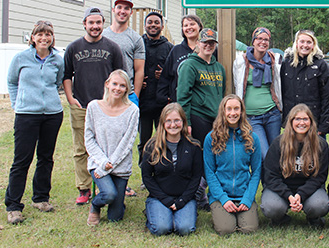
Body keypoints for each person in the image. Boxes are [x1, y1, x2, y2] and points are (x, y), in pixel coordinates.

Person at [5, 21, 64, 225]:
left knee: (46, 158)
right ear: (32, 37)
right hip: (26, 115)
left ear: (52, 38)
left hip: (52, 114)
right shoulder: (21, 58)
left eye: (48, 34)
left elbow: (58, 83)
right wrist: (17, 103)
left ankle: (40, 198)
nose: (44, 38)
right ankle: (13, 205)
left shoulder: (58, 59)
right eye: (40, 34)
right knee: (22, 160)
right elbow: (12, 82)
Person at [63, 7, 124, 205]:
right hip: (81, 105)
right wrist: (71, 99)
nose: (95, 26)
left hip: (107, 106)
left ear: (103, 23)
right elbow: (66, 76)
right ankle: (84, 188)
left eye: (98, 23)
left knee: (109, 146)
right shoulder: (73, 48)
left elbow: (120, 77)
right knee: (81, 148)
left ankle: (112, 182)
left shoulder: (112, 47)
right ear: (84, 24)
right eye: (91, 23)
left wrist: (115, 101)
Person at [85, 70, 139, 226]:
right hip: (99, 163)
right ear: (107, 84)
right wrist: (102, 163)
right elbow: (89, 139)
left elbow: (128, 142)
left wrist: (111, 163)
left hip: (120, 166)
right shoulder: (93, 107)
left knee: (115, 217)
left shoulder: (132, 111)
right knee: (109, 194)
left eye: (122, 86)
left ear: (127, 90)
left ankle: (118, 200)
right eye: (115, 84)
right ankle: (95, 205)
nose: (118, 88)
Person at [261, 104, 329, 227]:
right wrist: (288, 196)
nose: (301, 123)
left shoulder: (321, 145)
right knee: (271, 207)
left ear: (311, 122)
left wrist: (300, 195)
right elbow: (270, 176)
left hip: (309, 190)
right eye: (297, 119)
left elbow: (319, 177)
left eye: (305, 119)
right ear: (291, 122)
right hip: (281, 189)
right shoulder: (278, 143)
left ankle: (313, 217)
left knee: (320, 205)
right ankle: (279, 218)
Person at [141, 103, 203, 236]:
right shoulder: (152, 147)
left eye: (177, 120)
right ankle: (153, 212)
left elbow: (196, 177)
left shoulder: (194, 146)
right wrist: (165, 199)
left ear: (183, 122)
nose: (173, 125)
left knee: (184, 229)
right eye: (168, 121)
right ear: (162, 123)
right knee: (161, 229)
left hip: (185, 198)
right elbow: (147, 177)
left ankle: (184, 213)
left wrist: (182, 200)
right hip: (159, 198)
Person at [203, 95, 261, 235]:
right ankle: (221, 212)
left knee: (249, 229)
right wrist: (223, 199)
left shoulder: (252, 138)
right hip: (221, 195)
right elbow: (209, 172)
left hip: (243, 194)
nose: (233, 113)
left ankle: (243, 211)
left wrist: (247, 199)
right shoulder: (211, 138)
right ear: (223, 111)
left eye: (236, 109)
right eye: (229, 109)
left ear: (242, 111)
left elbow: (257, 171)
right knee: (226, 229)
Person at [233, 27, 282, 158]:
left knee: (276, 153)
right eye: (259, 38)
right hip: (252, 117)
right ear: (253, 41)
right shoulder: (241, 61)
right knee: (264, 154)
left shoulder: (274, 60)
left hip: (272, 114)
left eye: (266, 39)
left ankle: (272, 179)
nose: (263, 42)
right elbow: (236, 85)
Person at [281, 30, 329, 139]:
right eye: (302, 42)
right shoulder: (287, 64)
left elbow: (328, 97)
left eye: (309, 42)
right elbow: (280, 92)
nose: (305, 45)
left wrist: (324, 126)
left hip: (314, 124)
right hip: (291, 123)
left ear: (313, 44)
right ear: (296, 43)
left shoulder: (321, 65)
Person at [177, 28, 226, 145]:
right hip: (198, 117)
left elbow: (222, 92)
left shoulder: (219, 67)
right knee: (199, 153)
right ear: (198, 43)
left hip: (216, 119)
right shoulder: (190, 65)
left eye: (212, 43)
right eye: (205, 42)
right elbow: (183, 96)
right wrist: (186, 122)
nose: (208, 46)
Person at [138, 12, 173, 164]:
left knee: (164, 139)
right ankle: (145, 171)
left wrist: (164, 74)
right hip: (143, 103)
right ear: (145, 25)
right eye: (150, 22)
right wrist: (138, 82)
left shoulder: (169, 48)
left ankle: (162, 169)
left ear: (162, 26)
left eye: (156, 22)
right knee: (144, 141)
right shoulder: (138, 44)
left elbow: (174, 73)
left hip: (162, 103)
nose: (153, 25)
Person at [102, 0, 145, 107]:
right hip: (104, 93)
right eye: (119, 7)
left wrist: (135, 95)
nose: (122, 11)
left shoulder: (136, 39)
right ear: (113, 10)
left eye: (126, 8)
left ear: (130, 12)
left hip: (127, 94)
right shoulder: (102, 36)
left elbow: (139, 70)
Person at [157, 14, 205, 106]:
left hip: (202, 104)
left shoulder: (207, 49)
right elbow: (165, 77)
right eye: (185, 25)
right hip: (179, 102)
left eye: (192, 24)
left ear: (199, 26)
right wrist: (163, 98)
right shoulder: (176, 50)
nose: (189, 28)